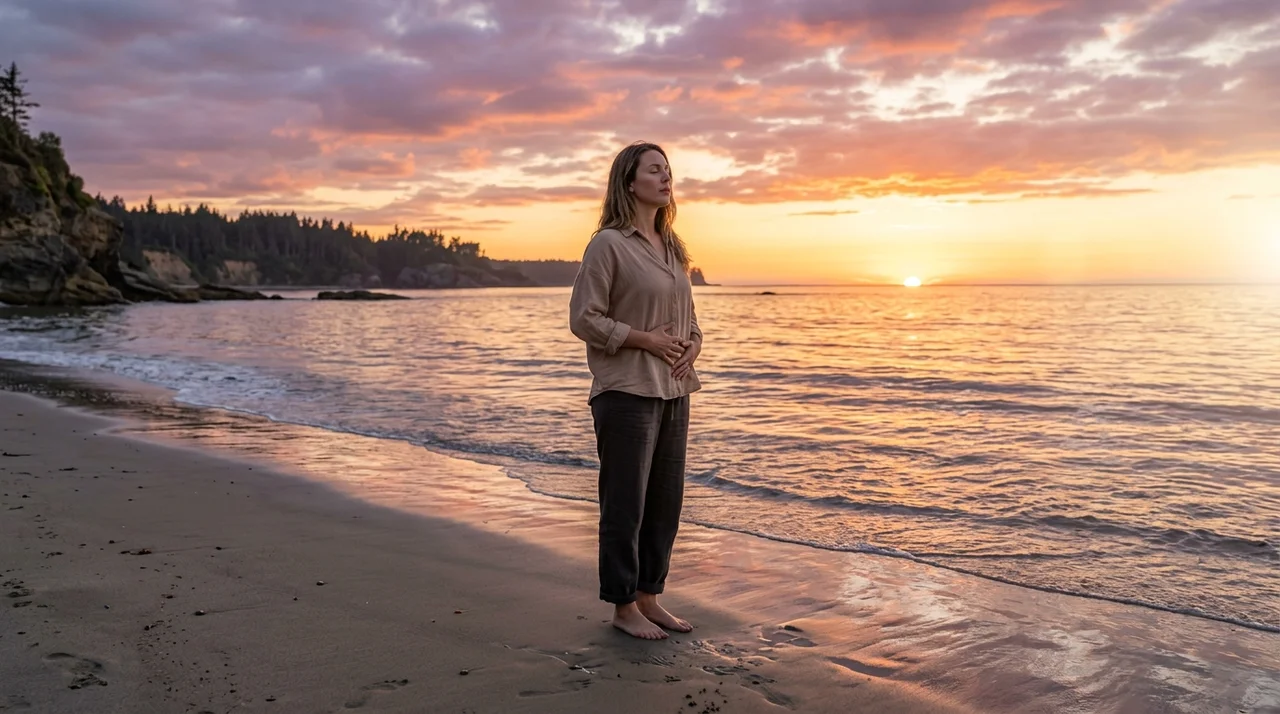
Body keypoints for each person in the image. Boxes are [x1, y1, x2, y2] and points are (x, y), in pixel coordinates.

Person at [568, 141, 703, 640]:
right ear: (630, 182)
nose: (666, 178)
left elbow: (688, 319)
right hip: (625, 391)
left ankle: (650, 596)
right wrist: (643, 339)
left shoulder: (673, 246)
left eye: (668, 170)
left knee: (665, 502)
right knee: (626, 503)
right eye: (654, 170)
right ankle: (624, 606)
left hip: (674, 390)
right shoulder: (608, 244)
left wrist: (694, 345)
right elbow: (584, 317)